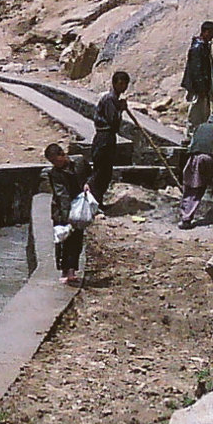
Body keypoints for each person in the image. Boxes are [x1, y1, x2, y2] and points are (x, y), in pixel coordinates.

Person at [45, 142, 95, 283]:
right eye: (52, 162)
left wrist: (88, 184)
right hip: (61, 210)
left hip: (79, 207)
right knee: (62, 239)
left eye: (55, 160)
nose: (55, 164)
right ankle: (64, 271)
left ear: (62, 155)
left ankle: (72, 270)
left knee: (76, 240)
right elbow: (62, 195)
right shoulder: (55, 173)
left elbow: (91, 175)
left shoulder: (79, 162)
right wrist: (67, 218)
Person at [178, 113, 213, 229]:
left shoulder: (199, 128)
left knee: (193, 189)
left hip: (195, 158)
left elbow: (191, 145)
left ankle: (186, 219)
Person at [90, 69, 131, 198]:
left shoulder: (114, 100)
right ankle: (95, 200)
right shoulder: (110, 100)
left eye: (125, 84)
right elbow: (113, 120)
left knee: (105, 171)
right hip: (104, 137)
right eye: (120, 84)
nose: (123, 87)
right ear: (114, 84)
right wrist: (120, 109)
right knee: (101, 171)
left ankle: (98, 200)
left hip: (107, 137)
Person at [182, 22, 213, 128]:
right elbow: (196, 69)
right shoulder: (197, 48)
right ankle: (191, 134)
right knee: (196, 111)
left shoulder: (204, 46)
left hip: (203, 85)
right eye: (211, 33)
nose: (212, 35)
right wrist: (201, 88)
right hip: (198, 87)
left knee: (203, 112)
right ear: (205, 32)